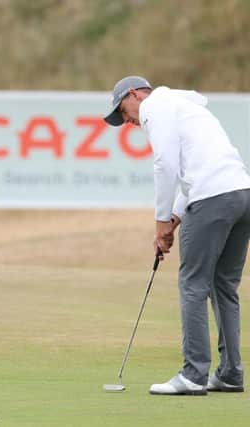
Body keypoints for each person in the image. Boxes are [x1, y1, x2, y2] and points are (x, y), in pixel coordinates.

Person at [104, 76, 250, 395]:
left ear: (135, 95)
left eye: (122, 111)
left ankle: (193, 375)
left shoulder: (154, 108)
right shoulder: (184, 106)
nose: (126, 121)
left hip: (213, 198)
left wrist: (159, 222)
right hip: (241, 195)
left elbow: (165, 165)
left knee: (192, 284)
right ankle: (229, 373)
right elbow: (192, 170)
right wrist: (174, 217)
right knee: (223, 285)